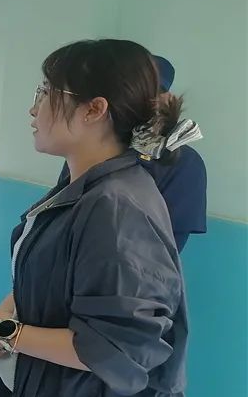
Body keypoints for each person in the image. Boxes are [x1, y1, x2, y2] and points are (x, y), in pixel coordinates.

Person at [0, 39, 188, 397]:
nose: (34, 108)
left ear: (94, 109)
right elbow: (56, 281)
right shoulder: (83, 183)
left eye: (46, 93)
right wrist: (2, 315)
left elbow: (115, 347)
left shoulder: (117, 207)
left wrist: (3, 332)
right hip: (27, 383)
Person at [55, 54, 207, 251]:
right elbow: (61, 210)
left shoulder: (186, 162)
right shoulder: (89, 146)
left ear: (165, 99)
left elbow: (168, 246)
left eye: (149, 94)